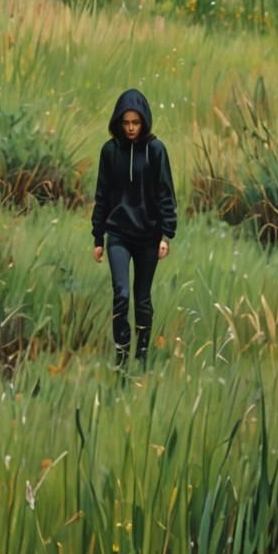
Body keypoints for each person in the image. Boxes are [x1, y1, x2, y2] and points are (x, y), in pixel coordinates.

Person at [91, 89, 177, 369]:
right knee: (121, 295)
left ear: (144, 122)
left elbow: (166, 193)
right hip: (118, 235)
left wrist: (166, 235)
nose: (130, 128)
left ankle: (141, 356)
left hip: (148, 237)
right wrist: (98, 237)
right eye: (126, 122)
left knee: (142, 298)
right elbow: (102, 195)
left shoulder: (156, 150)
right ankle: (121, 357)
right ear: (118, 122)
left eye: (136, 123)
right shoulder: (109, 151)